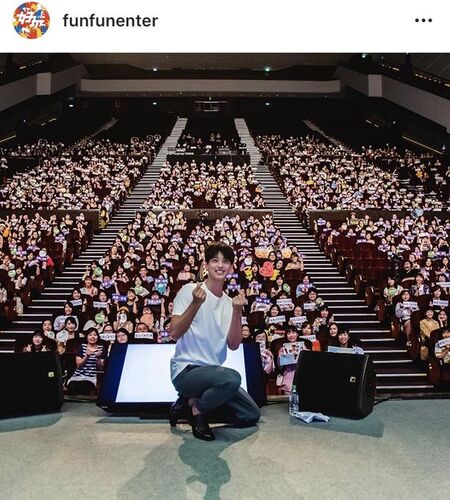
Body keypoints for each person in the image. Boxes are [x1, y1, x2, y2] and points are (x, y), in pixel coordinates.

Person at [169, 242, 260, 441]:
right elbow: (174, 333)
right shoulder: (189, 290)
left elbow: (233, 344)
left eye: (225, 261)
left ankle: (189, 401)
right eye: (215, 260)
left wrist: (237, 311)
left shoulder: (229, 302)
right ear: (206, 265)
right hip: (186, 371)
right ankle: (197, 410)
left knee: (250, 414)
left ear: (231, 268)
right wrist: (195, 303)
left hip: (214, 375)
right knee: (232, 378)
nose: (220, 265)